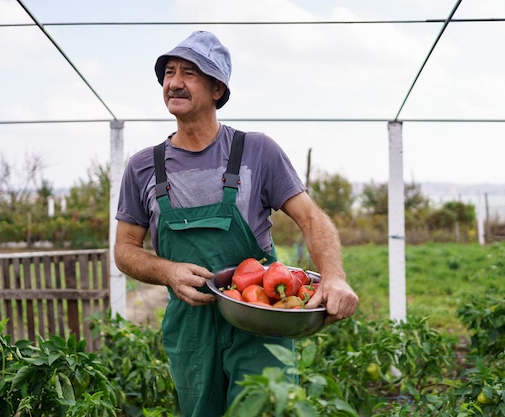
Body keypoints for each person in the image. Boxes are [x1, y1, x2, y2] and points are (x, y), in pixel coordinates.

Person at [114, 30, 359, 417]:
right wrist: (168, 271)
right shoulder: (143, 166)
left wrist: (333, 276)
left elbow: (312, 219)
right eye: (169, 73)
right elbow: (125, 250)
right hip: (190, 327)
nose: (174, 82)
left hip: (259, 320)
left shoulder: (256, 151)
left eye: (189, 73)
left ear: (217, 89)